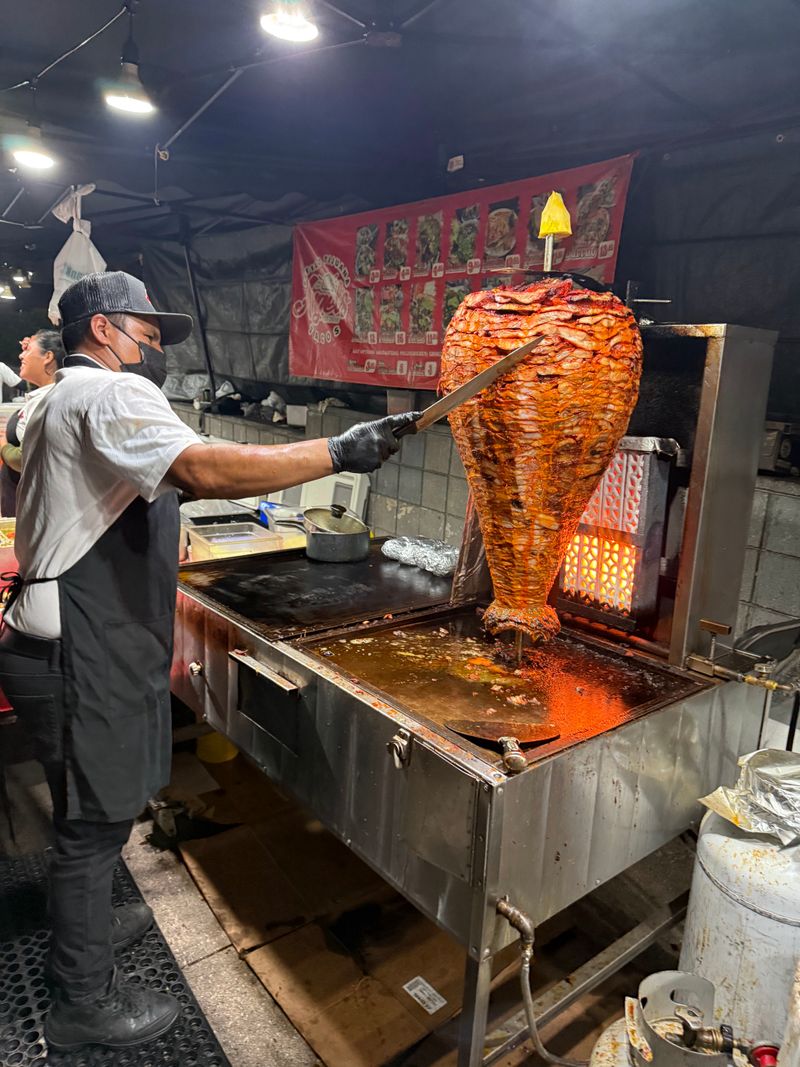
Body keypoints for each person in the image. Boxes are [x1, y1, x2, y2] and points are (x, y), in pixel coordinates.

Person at [0, 271, 418, 1052]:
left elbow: (97, 484)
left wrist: (160, 507)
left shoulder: (54, 396)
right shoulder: (111, 395)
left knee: (86, 812)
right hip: (78, 653)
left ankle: (82, 920)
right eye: (147, 333)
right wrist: (335, 450)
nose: (156, 349)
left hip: (46, 642)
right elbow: (207, 466)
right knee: (93, 828)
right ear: (100, 328)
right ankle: (81, 998)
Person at [0, 329, 66, 516]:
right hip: (21, 500)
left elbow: (26, 458)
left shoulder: (50, 400)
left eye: (28, 351)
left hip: (32, 506)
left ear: (48, 356)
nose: (21, 354)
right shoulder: (39, 395)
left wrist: (3, 444)